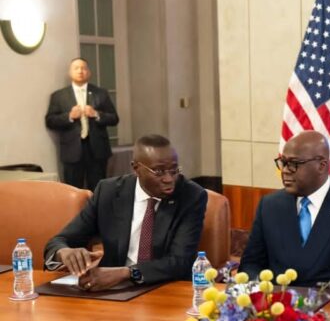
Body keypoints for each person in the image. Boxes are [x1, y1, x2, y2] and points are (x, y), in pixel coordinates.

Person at [44, 134, 208, 291]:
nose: (169, 179)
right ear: (136, 168)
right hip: (112, 289)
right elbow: (60, 240)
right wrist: (63, 253)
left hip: (166, 288)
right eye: (159, 172)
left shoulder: (191, 196)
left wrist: (127, 273)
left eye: (174, 170)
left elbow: (180, 262)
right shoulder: (108, 192)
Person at [239, 130, 330, 292]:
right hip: (278, 306)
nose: (285, 170)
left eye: (294, 163)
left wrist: (324, 298)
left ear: (321, 166)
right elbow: (250, 265)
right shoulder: (269, 206)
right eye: (283, 162)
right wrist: (266, 292)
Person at [45, 57, 120, 190]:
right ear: (70, 72)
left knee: (98, 189)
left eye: (83, 68)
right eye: (76, 68)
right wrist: (69, 116)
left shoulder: (100, 93)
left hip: (97, 150)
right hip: (72, 151)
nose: (80, 71)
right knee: (72, 190)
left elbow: (114, 119)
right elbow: (50, 121)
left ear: (89, 72)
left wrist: (96, 114)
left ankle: (97, 211)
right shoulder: (59, 96)